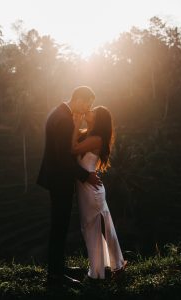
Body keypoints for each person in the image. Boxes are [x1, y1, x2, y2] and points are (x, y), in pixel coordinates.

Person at [37, 86, 102, 289]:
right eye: (87, 104)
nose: (87, 109)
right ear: (79, 100)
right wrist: (86, 176)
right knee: (59, 227)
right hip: (60, 180)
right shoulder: (64, 120)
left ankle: (58, 268)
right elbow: (64, 158)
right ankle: (55, 276)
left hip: (56, 178)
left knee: (60, 226)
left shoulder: (60, 112)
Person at [71, 106, 127, 280]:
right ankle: (111, 267)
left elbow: (73, 149)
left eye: (93, 111)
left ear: (98, 119)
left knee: (93, 228)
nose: (89, 111)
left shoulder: (96, 139)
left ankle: (99, 272)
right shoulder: (88, 133)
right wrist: (76, 123)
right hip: (86, 188)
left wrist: (75, 124)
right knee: (94, 228)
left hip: (91, 190)